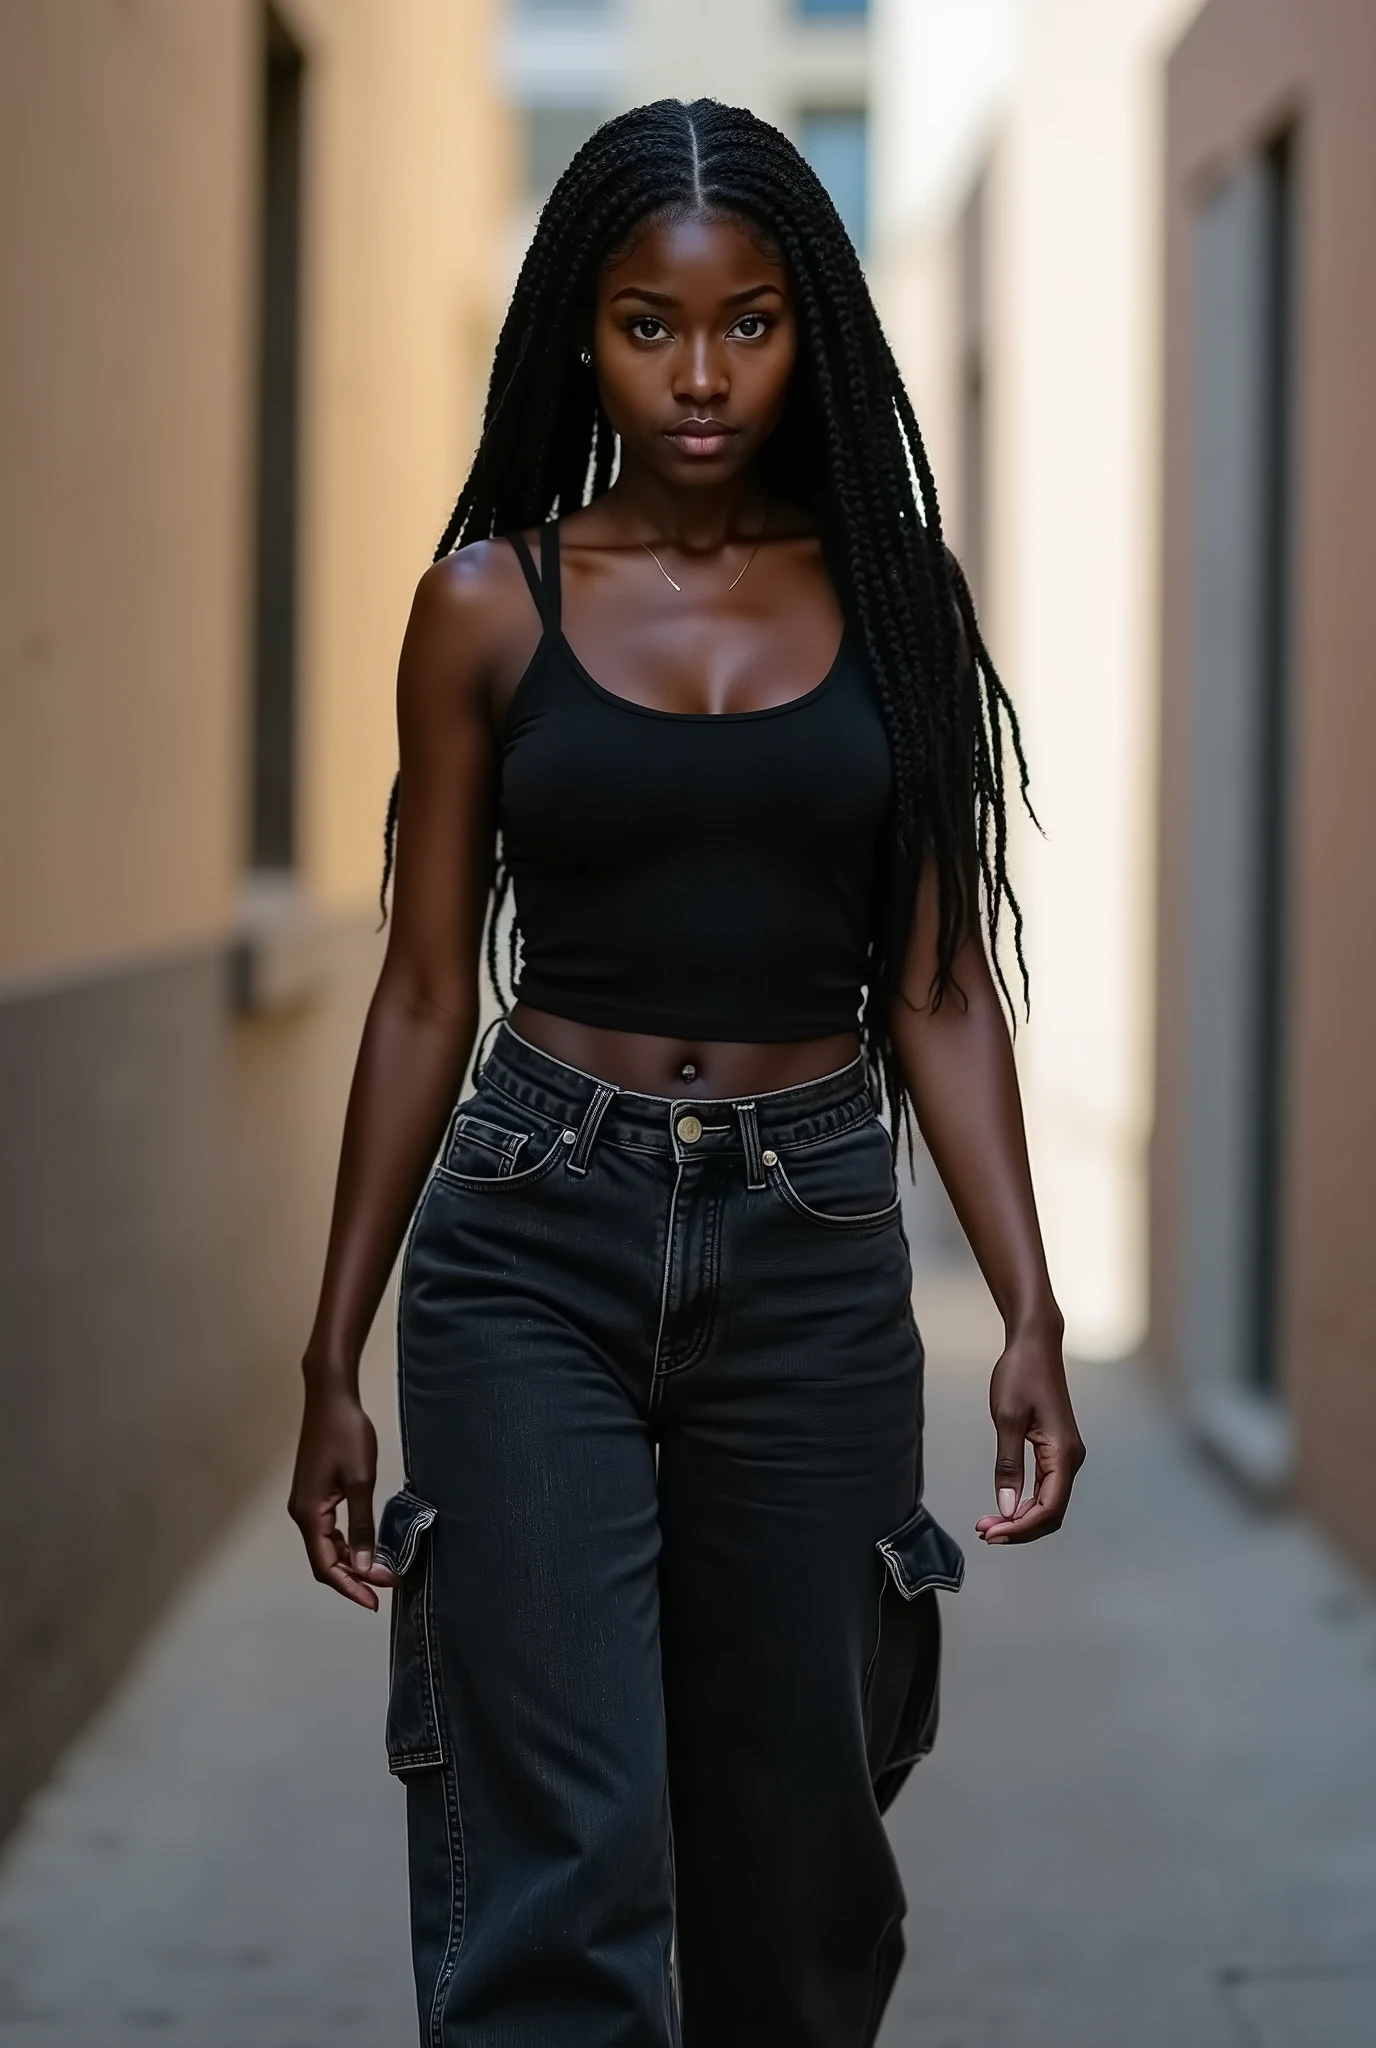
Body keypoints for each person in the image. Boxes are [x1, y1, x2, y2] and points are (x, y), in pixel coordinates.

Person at [288, 97, 1084, 2048]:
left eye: (746, 325)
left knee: (798, 1873)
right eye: (650, 324)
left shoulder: (895, 602)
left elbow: (937, 984)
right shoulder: (487, 604)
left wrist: (1030, 1303)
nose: (701, 375)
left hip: (813, 1246)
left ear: (813, 326)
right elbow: (416, 995)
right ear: (581, 329)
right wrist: (331, 1348)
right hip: (528, 1248)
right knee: (567, 1863)